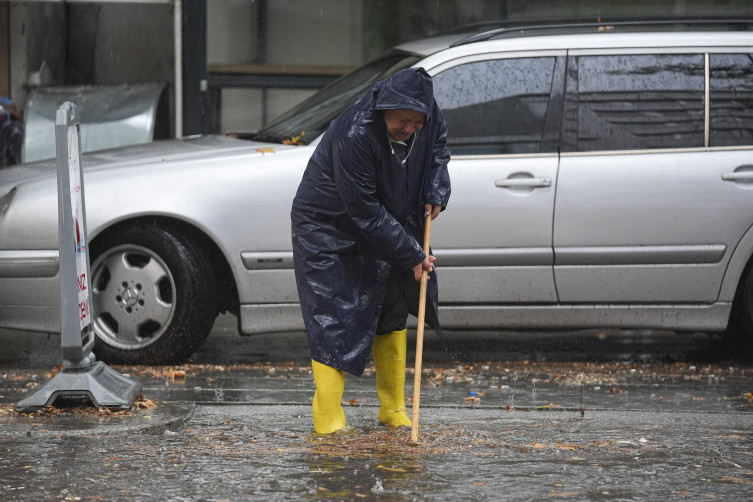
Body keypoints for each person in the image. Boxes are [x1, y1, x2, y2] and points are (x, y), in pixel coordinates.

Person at [291, 67, 451, 434]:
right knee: (333, 320)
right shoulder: (355, 133)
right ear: (385, 108)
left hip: (388, 218)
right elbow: (363, 210)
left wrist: (436, 189)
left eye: (417, 122)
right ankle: (329, 419)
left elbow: (438, 146)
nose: (410, 128)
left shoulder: (426, 114)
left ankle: (393, 408)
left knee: (391, 309)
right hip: (329, 228)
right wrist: (412, 254)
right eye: (402, 121)